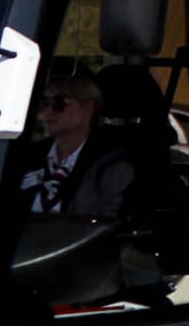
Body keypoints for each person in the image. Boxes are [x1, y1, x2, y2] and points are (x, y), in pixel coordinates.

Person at [16, 68, 140, 223]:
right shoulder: (28, 156)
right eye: (44, 102)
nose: (47, 112)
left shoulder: (111, 164)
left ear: (87, 109)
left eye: (59, 103)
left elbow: (104, 230)